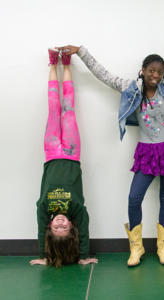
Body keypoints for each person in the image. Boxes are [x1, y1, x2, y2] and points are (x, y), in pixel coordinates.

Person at [59, 30, 164, 266]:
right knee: (134, 199)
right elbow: (105, 75)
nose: (156, 75)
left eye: (160, 72)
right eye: (152, 70)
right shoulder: (131, 88)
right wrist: (82, 52)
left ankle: (163, 248)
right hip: (147, 151)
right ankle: (137, 248)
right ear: (143, 70)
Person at [29, 49, 98, 267]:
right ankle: (66, 64)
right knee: (67, 109)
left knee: (53, 108)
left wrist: (43, 256)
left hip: (51, 153)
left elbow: (41, 230)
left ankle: (53, 64)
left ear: (50, 227)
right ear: (71, 225)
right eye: (64, 228)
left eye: (55, 228)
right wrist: (83, 257)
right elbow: (84, 230)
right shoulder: (77, 208)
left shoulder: (44, 208)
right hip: (71, 152)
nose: (59, 223)